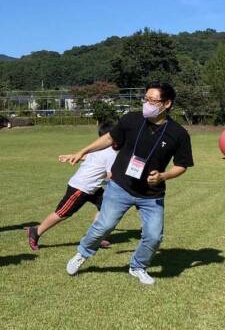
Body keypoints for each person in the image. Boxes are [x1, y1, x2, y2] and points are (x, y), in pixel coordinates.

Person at [64, 82, 194, 285]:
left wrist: (163, 176)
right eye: (146, 99)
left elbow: (182, 165)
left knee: (153, 236)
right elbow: (109, 138)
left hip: (152, 194)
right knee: (103, 226)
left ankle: (138, 266)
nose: (147, 104)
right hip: (120, 186)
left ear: (167, 104)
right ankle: (83, 253)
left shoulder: (178, 133)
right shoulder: (132, 119)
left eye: (153, 101)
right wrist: (83, 151)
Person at [26, 122, 117, 251]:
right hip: (81, 188)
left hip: (93, 188)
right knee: (62, 213)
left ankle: (94, 237)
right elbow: (110, 175)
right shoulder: (110, 153)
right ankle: (36, 230)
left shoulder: (98, 147)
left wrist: (73, 156)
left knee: (107, 208)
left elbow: (89, 157)